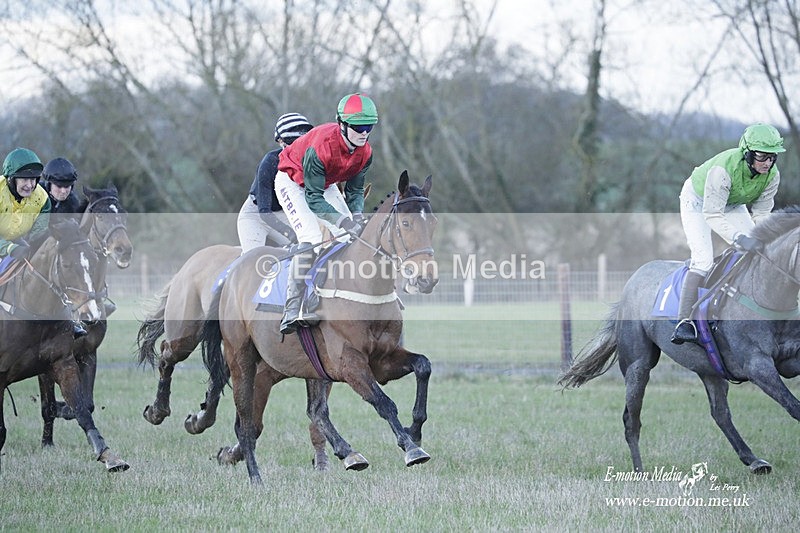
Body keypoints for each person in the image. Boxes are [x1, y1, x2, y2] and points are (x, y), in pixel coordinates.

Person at [671, 123, 786, 345]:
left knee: (757, 251)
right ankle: (684, 320)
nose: (768, 163)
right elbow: (712, 215)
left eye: (773, 157)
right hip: (698, 201)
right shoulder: (723, 170)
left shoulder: (772, 175)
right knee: (703, 260)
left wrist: (761, 237)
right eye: (762, 156)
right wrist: (738, 238)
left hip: (732, 203)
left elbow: (761, 212)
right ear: (747, 153)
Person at [275, 93, 378, 334]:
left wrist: (356, 217)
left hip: (326, 184)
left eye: (369, 127)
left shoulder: (365, 153)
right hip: (292, 182)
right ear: (342, 124)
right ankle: (293, 308)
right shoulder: (322, 146)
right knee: (311, 240)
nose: (364, 133)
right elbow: (312, 199)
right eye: (359, 127)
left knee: (349, 238)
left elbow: (354, 191)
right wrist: (342, 220)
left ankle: (337, 294)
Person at [1, 148, 87, 337]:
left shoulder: (41, 198)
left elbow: (39, 232)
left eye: (33, 180)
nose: (29, 185)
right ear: (10, 179)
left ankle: (68, 320)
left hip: (18, 242)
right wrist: (10, 247)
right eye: (24, 179)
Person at [237, 112, 313, 254]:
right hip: (256, 215)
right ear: (281, 142)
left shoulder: (312, 161)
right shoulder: (269, 162)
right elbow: (264, 212)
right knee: (253, 260)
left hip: (285, 213)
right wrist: (289, 234)